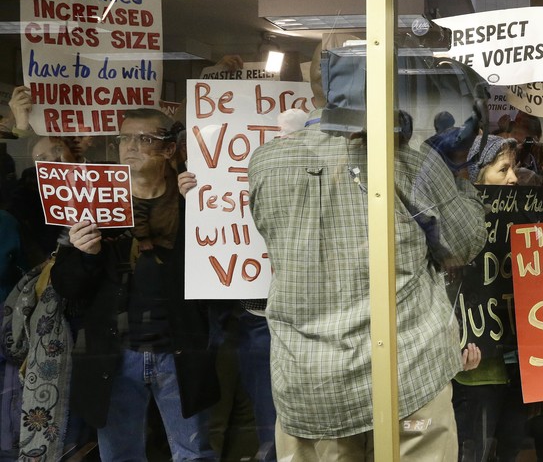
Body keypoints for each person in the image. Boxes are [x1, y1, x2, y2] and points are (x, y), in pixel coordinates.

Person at [247, 45, 487, 461]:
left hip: (309, 380)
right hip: (407, 377)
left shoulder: (265, 162)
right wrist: (457, 171)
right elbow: (462, 243)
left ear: (317, 86)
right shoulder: (407, 162)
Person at [49, 108, 220, 460]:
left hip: (179, 349)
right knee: (120, 454)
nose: (130, 146)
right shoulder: (94, 201)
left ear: (170, 149)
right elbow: (66, 286)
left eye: (144, 139)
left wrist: (197, 209)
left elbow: (217, 271)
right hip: (114, 354)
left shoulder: (194, 198)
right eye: (124, 138)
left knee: (193, 453)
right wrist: (84, 253)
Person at [452, 134, 525, 462]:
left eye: (515, 169)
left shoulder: (526, 216)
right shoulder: (453, 226)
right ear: (476, 175)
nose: (513, 178)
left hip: (518, 368)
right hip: (476, 373)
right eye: (503, 169)